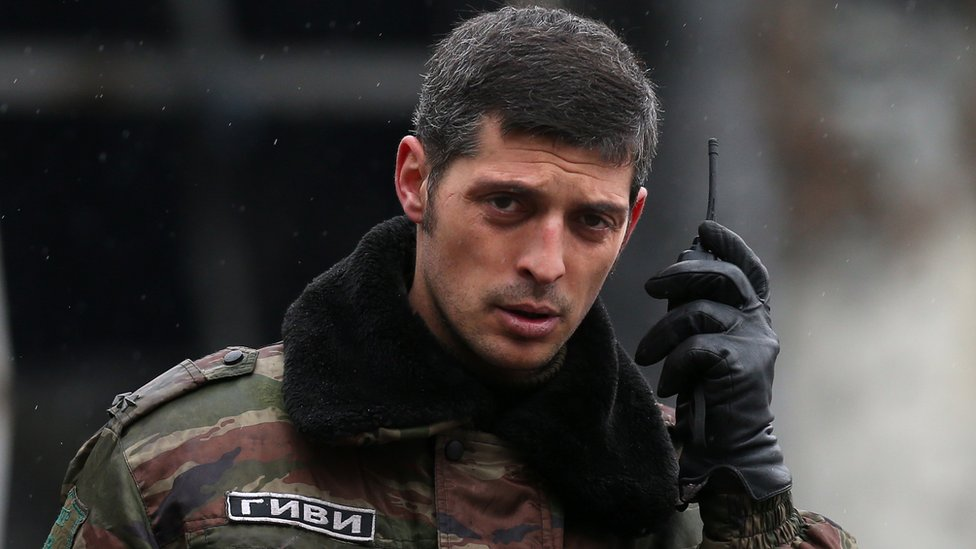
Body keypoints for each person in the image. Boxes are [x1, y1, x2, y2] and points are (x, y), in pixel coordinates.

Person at [45, 6, 856, 548]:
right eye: (507, 204)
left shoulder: (676, 495)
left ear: (632, 224)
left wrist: (750, 490)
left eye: (591, 221)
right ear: (416, 181)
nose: (546, 262)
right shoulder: (181, 461)